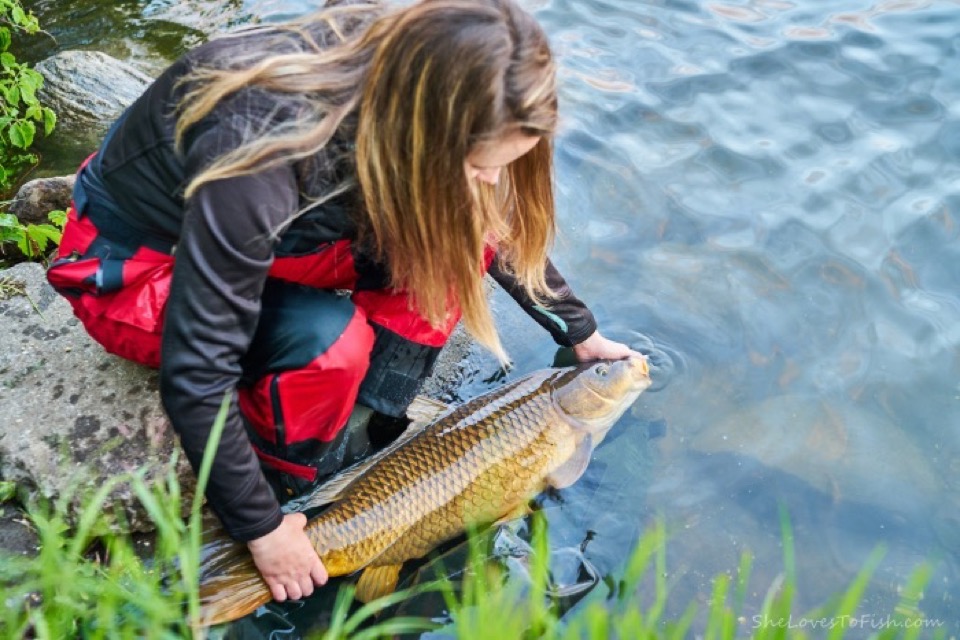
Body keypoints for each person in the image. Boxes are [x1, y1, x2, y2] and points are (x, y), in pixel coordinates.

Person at [46, 0, 642, 606]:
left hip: (268, 228)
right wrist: (264, 529)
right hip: (133, 268)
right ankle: (290, 480)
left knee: (453, 246)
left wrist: (580, 334)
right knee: (333, 344)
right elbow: (197, 374)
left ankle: (375, 420)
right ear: (424, 132)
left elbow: (486, 228)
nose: (492, 180)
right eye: (478, 164)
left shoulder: (403, 72)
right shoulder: (258, 152)